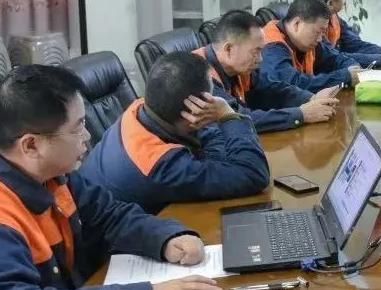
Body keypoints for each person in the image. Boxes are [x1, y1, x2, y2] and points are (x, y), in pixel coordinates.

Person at [0, 65, 224, 290]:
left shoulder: (47, 172)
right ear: (31, 145)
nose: (86, 136)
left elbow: (107, 215)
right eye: (78, 127)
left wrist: (165, 238)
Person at [79, 51, 270, 214]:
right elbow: (254, 174)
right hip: (107, 243)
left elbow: (209, 135)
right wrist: (227, 115)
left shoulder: (141, 107)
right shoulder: (161, 166)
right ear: (193, 111)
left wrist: (213, 157)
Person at [194, 10, 338, 132]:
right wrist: (302, 114)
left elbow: (272, 88)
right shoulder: (200, 77)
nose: (260, 59)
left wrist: (311, 98)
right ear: (229, 49)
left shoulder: (239, 67)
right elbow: (235, 117)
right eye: (255, 51)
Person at [259, 0, 365, 93]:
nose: (320, 39)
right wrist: (345, 77)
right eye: (318, 31)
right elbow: (292, 84)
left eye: (323, 32)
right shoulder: (271, 46)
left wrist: (353, 68)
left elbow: (335, 59)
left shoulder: (307, 42)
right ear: (297, 24)